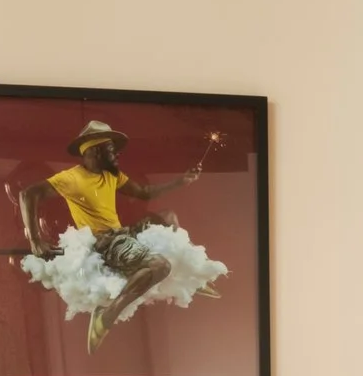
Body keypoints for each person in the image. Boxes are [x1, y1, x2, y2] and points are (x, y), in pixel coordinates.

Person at [16, 120, 215, 352]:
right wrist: (35, 239)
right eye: (111, 151)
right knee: (160, 266)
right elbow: (27, 194)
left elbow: (144, 192)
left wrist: (181, 181)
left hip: (123, 232)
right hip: (106, 243)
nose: (117, 155)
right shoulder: (72, 178)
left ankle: (190, 274)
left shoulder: (112, 175)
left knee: (168, 217)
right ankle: (105, 316)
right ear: (95, 152)